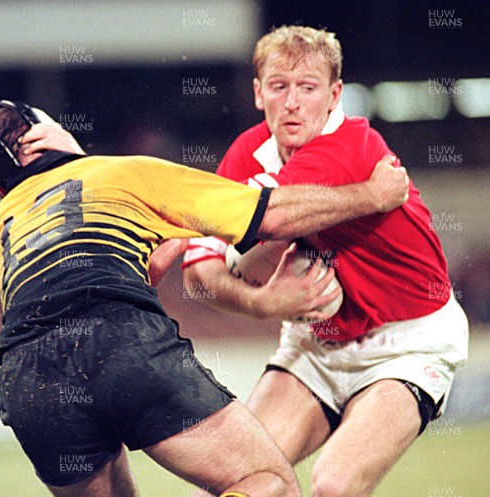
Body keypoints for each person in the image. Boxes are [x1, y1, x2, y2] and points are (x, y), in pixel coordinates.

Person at [0, 100, 408, 497]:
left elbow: (112, 259)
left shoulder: (2, 227)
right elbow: (269, 215)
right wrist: (373, 194)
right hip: (120, 341)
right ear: (57, 135)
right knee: (268, 482)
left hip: (28, 380)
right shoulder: (119, 172)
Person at [181, 26, 469, 497]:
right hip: (315, 345)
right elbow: (198, 274)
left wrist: (234, 253)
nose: (292, 102)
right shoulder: (247, 153)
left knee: (333, 484)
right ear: (258, 93)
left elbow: (271, 219)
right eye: (279, 86)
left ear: (335, 95)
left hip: (407, 344)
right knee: (227, 484)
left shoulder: (352, 144)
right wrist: (261, 305)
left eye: (308, 87)